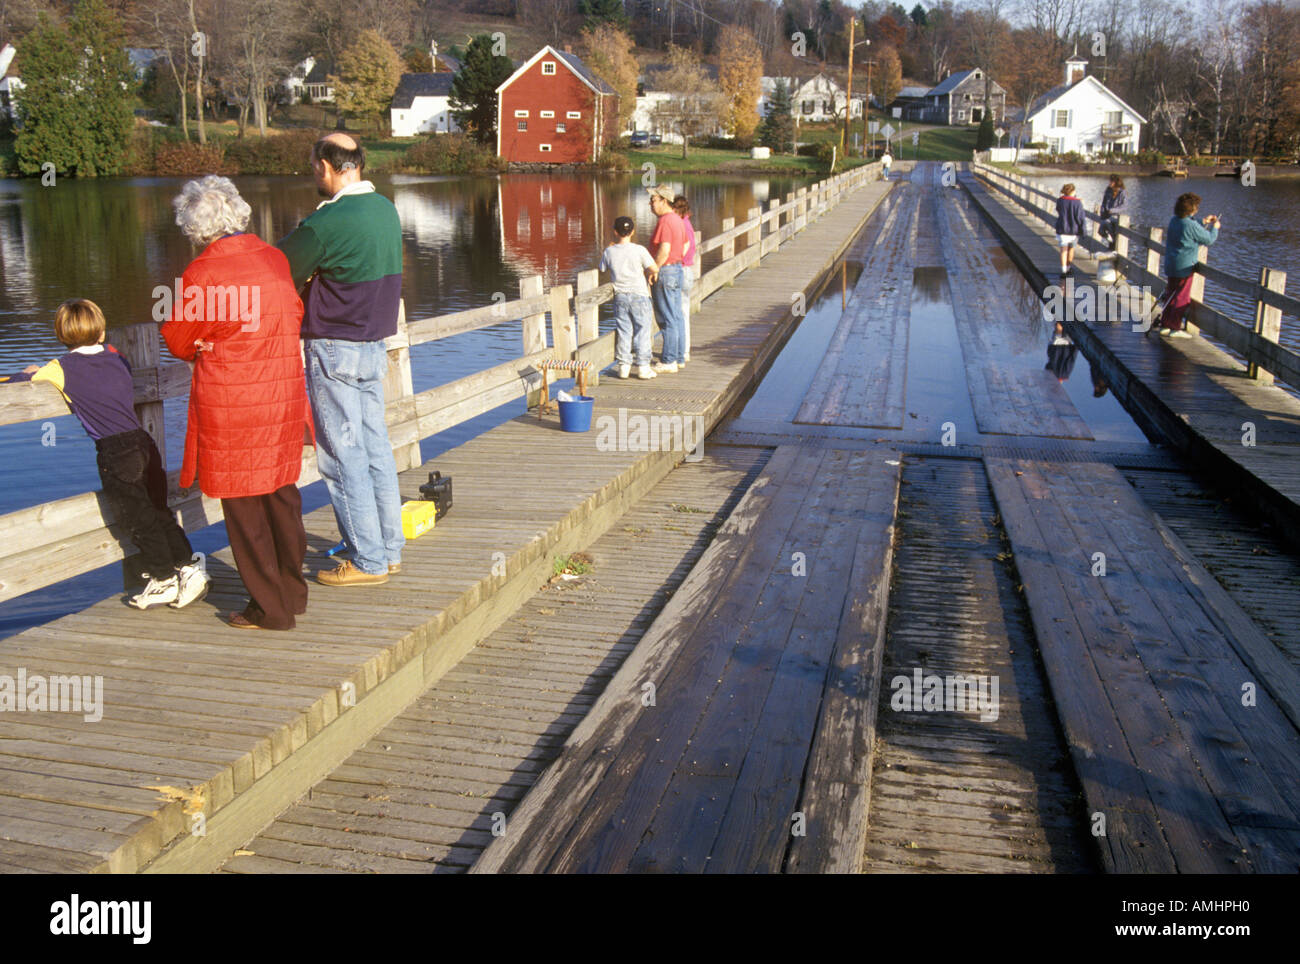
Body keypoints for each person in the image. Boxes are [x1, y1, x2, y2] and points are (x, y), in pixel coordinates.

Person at [161, 176, 313, 630]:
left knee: (245, 505)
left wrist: (207, 341)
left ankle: (269, 609)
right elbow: (292, 315)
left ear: (197, 229)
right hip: (282, 394)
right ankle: (292, 593)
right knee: (282, 494)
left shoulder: (204, 272)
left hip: (235, 401)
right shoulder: (274, 259)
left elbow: (177, 337)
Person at [2, 300, 207, 610]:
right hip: (143, 441)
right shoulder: (117, 358)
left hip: (116, 452)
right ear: (100, 332)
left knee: (137, 519)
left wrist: (29, 372)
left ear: (61, 334)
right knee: (158, 509)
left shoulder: (59, 368)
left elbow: (22, 381)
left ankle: (163, 578)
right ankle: (188, 567)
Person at [277, 133, 405, 586]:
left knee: (340, 455)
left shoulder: (326, 222)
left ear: (329, 167)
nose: (314, 176)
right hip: (374, 347)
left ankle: (366, 561)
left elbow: (278, 269)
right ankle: (388, 550)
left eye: (315, 167)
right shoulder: (386, 209)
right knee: (375, 449)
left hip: (333, 346)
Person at [599, 215, 658, 380]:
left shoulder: (609, 251)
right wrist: (651, 274)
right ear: (632, 231)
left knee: (624, 331)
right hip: (639, 295)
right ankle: (643, 367)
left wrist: (608, 248)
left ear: (615, 232)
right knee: (643, 331)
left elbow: (602, 268)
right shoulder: (639, 250)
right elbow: (653, 267)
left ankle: (624, 367)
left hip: (620, 297)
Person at [1157, 192, 1220, 339]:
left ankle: (1166, 324)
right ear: (1192, 208)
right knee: (1182, 297)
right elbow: (1209, 239)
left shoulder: (1174, 220)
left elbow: (1189, 225)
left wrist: (1203, 221)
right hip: (1184, 267)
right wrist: (1215, 227)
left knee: (1170, 294)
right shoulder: (1190, 225)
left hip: (1171, 265)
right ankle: (1175, 327)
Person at [647, 186, 687, 374]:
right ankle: (678, 356)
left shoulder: (665, 221)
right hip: (677, 268)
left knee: (666, 317)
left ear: (664, 201)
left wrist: (654, 268)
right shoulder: (678, 220)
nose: (650, 204)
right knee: (676, 315)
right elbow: (685, 244)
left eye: (654, 200)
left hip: (666, 270)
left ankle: (669, 359)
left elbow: (664, 249)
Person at [673, 195, 696, 365]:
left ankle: (681, 350)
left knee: (679, 314)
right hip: (688, 270)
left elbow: (682, 249)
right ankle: (684, 349)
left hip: (681, 270)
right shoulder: (688, 224)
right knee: (684, 312)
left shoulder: (681, 226)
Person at [1054, 183, 1085, 278]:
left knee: (1063, 249)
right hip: (1073, 230)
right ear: (1072, 191)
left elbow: (1058, 210)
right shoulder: (1077, 202)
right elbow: (1080, 218)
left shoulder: (1060, 201)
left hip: (1062, 228)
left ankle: (1063, 270)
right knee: (1071, 249)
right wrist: (1083, 229)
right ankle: (1068, 267)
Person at [1098, 175, 1126, 250]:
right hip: (1106, 215)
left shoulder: (1122, 192)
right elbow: (1104, 203)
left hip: (1116, 216)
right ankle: (1112, 241)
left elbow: (1123, 207)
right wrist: (1102, 212)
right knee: (1100, 231)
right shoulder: (1108, 190)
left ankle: (1113, 243)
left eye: (1111, 181)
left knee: (1107, 223)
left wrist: (1112, 210)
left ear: (1115, 182)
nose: (1109, 183)